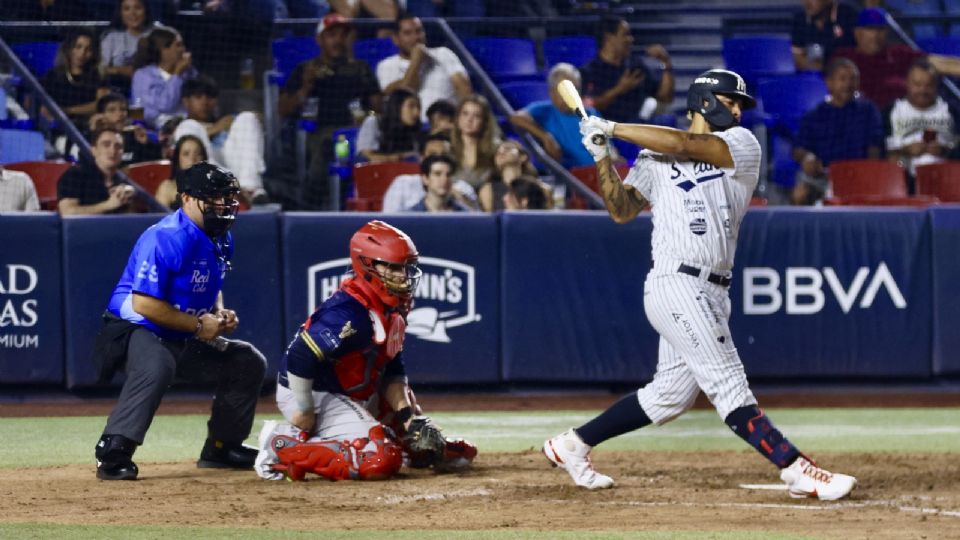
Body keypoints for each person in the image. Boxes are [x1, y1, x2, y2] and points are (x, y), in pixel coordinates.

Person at [544, 69, 858, 501]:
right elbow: (620, 210)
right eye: (730, 101)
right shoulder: (652, 158)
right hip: (676, 282)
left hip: (714, 288)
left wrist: (613, 127)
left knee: (668, 397)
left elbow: (687, 145)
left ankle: (572, 446)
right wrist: (602, 156)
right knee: (729, 384)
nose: (737, 110)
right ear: (705, 101)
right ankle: (797, 469)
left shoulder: (741, 145)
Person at [254, 220, 476, 481]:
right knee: (380, 459)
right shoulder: (349, 311)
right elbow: (300, 354)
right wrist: (303, 410)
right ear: (367, 265)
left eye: (405, 268)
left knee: (429, 451)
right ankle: (282, 444)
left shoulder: (392, 304)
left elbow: (391, 364)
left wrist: (409, 418)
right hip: (315, 391)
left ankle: (341, 433)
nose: (402, 276)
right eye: (393, 268)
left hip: (355, 389)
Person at [91, 162, 267, 481]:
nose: (223, 205)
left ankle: (221, 448)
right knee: (158, 363)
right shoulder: (166, 236)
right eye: (213, 197)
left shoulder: (221, 237)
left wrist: (218, 314)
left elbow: (210, 283)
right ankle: (114, 450)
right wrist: (201, 327)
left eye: (227, 197)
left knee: (246, 360)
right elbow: (143, 303)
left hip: (179, 334)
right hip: (132, 329)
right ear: (187, 199)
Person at [278, 13, 381, 209]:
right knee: (327, 147)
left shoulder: (361, 69)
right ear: (320, 40)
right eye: (332, 35)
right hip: (320, 132)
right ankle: (310, 205)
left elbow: (379, 108)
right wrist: (305, 88)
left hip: (357, 132)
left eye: (343, 35)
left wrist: (367, 100)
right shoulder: (306, 69)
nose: (338, 40)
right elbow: (282, 110)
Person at [791, 58, 883, 205]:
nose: (848, 84)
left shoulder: (868, 111)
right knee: (800, 193)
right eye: (842, 79)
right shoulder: (814, 115)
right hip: (823, 177)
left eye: (853, 79)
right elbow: (798, 150)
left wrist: (867, 173)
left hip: (858, 177)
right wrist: (807, 158)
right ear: (829, 83)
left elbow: (875, 147)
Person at [831, 8, 960, 109]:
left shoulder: (898, 53)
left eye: (880, 30)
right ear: (857, 33)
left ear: (886, 33)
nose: (875, 36)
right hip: (862, 118)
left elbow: (937, 63)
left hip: (906, 116)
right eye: (870, 29)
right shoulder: (845, 57)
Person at [173, 76, 267, 203]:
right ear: (186, 101)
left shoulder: (227, 121)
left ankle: (250, 189)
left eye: (210, 97)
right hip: (208, 180)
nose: (205, 102)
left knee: (247, 117)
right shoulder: (178, 125)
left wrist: (251, 119)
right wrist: (215, 129)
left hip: (237, 173)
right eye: (198, 97)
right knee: (189, 125)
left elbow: (258, 119)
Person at [376, 13, 471, 121]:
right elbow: (402, 97)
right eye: (408, 33)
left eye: (419, 31)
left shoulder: (444, 53)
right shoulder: (387, 65)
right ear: (396, 39)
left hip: (446, 125)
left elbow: (464, 89)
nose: (416, 37)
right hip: (411, 129)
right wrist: (416, 62)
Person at [580, 15, 674, 124]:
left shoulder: (636, 67)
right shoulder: (590, 71)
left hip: (636, 131)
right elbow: (588, 107)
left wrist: (666, 64)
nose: (631, 39)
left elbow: (665, 97)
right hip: (605, 133)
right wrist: (620, 89)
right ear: (609, 38)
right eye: (626, 35)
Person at [510, 63, 599, 168]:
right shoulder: (544, 111)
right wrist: (546, 137)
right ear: (551, 93)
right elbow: (516, 118)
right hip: (568, 176)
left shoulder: (590, 113)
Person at [886, 60, 957, 178]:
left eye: (928, 85)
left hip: (947, 178)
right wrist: (905, 150)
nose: (923, 90)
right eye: (917, 85)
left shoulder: (952, 110)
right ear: (907, 83)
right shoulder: (891, 110)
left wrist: (946, 151)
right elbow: (881, 153)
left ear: (936, 86)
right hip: (903, 180)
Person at [381, 132, 476, 212]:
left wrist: (459, 198)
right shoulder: (402, 183)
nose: (439, 159)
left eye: (444, 155)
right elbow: (389, 223)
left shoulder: (464, 188)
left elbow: (478, 224)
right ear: (421, 157)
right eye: (432, 155)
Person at [57, 127, 139, 215]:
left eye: (118, 146)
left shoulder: (123, 181)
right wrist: (108, 205)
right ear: (94, 150)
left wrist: (130, 199)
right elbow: (68, 212)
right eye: (106, 145)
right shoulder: (75, 175)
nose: (113, 151)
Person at [131, 26, 197, 128]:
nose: (183, 49)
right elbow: (165, 105)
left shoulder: (190, 73)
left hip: (188, 125)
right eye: (178, 45)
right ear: (164, 50)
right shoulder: (142, 75)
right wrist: (177, 75)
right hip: (153, 130)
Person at [40, 28, 109, 125]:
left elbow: (102, 104)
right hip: (58, 125)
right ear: (69, 49)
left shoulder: (98, 76)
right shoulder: (53, 75)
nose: (82, 53)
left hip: (89, 124)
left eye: (88, 49)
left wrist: (68, 110)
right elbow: (43, 107)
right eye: (78, 47)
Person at [89, 93, 162, 167]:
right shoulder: (94, 139)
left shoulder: (135, 136)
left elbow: (156, 164)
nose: (120, 114)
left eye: (123, 109)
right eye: (112, 110)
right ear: (101, 115)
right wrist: (93, 133)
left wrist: (146, 144)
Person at [476, 139, 547, 212]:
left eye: (507, 148)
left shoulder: (542, 189)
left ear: (523, 157)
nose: (501, 152)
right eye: (497, 152)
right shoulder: (487, 190)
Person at [100, 0, 156, 90]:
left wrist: (119, 69)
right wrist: (123, 70)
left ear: (146, 10)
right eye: (127, 9)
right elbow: (102, 69)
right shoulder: (111, 38)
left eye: (137, 8)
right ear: (120, 13)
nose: (132, 13)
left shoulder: (158, 34)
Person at [356, 87, 422, 162]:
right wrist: (400, 157)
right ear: (397, 106)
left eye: (418, 107)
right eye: (411, 106)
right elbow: (367, 157)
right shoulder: (374, 122)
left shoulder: (414, 130)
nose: (417, 112)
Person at [451, 95, 502, 190]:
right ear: (458, 118)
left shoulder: (495, 149)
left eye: (477, 116)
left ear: (484, 122)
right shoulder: (446, 148)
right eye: (465, 114)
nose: (469, 120)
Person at [790, 0, 858, 72]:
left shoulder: (847, 14)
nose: (807, 3)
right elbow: (797, 56)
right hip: (814, 76)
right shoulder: (799, 19)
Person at [155, 134, 208, 208]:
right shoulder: (167, 188)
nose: (192, 159)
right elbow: (160, 218)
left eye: (198, 154)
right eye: (186, 154)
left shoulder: (214, 188)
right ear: (178, 159)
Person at [407, 153, 473, 212]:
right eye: (437, 174)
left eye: (448, 174)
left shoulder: (464, 214)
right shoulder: (411, 215)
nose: (444, 179)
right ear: (425, 179)